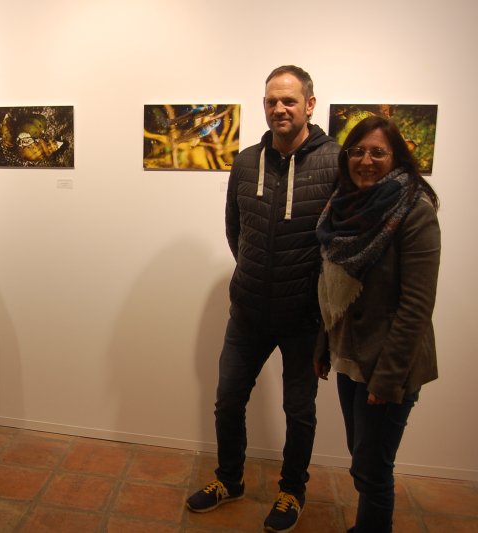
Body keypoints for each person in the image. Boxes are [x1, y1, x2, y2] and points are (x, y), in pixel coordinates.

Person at [186, 65, 340, 532]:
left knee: (299, 411)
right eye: (272, 100)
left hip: (304, 318)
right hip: (248, 310)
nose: (279, 109)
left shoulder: (335, 162)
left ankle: (292, 490)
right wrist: (255, 272)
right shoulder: (246, 160)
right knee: (227, 400)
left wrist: (317, 304)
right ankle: (229, 480)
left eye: (289, 101)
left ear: (310, 105)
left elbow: (340, 242)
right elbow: (236, 230)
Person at [314, 115, 440, 533]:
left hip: (388, 366)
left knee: (372, 469)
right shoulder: (341, 207)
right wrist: (323, 346)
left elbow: (416, 307)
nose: (365, 160)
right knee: (362, 457)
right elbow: (332, 287)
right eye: (357, 151)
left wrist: (387, 380)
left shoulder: (414, 212)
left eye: (378, 152)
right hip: (351, 356)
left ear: (396, 157)